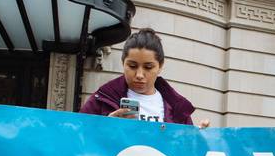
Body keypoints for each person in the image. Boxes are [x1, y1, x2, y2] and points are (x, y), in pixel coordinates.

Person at [80, 28, 208, 126]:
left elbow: (187, 151)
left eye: (148, 67)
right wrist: (106, 126)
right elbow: (76, 139)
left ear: (160, 66)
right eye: (132, 66)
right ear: (123, 63)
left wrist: (199, 136)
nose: (139, 75)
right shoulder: (100, 100)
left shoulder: (178, 109)